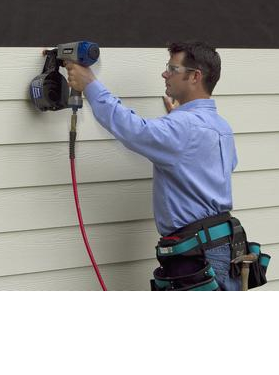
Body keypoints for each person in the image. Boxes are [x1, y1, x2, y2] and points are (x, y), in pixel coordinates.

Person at [65, 40, 241, 291]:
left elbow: (134, 131)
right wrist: (176, 126)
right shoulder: (221, 126)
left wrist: (90, 84)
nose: (165, 74)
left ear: (195, 76)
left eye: (172, 69)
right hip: (224, 245)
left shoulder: (183, 127)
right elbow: (208, 165)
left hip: (196, 254)